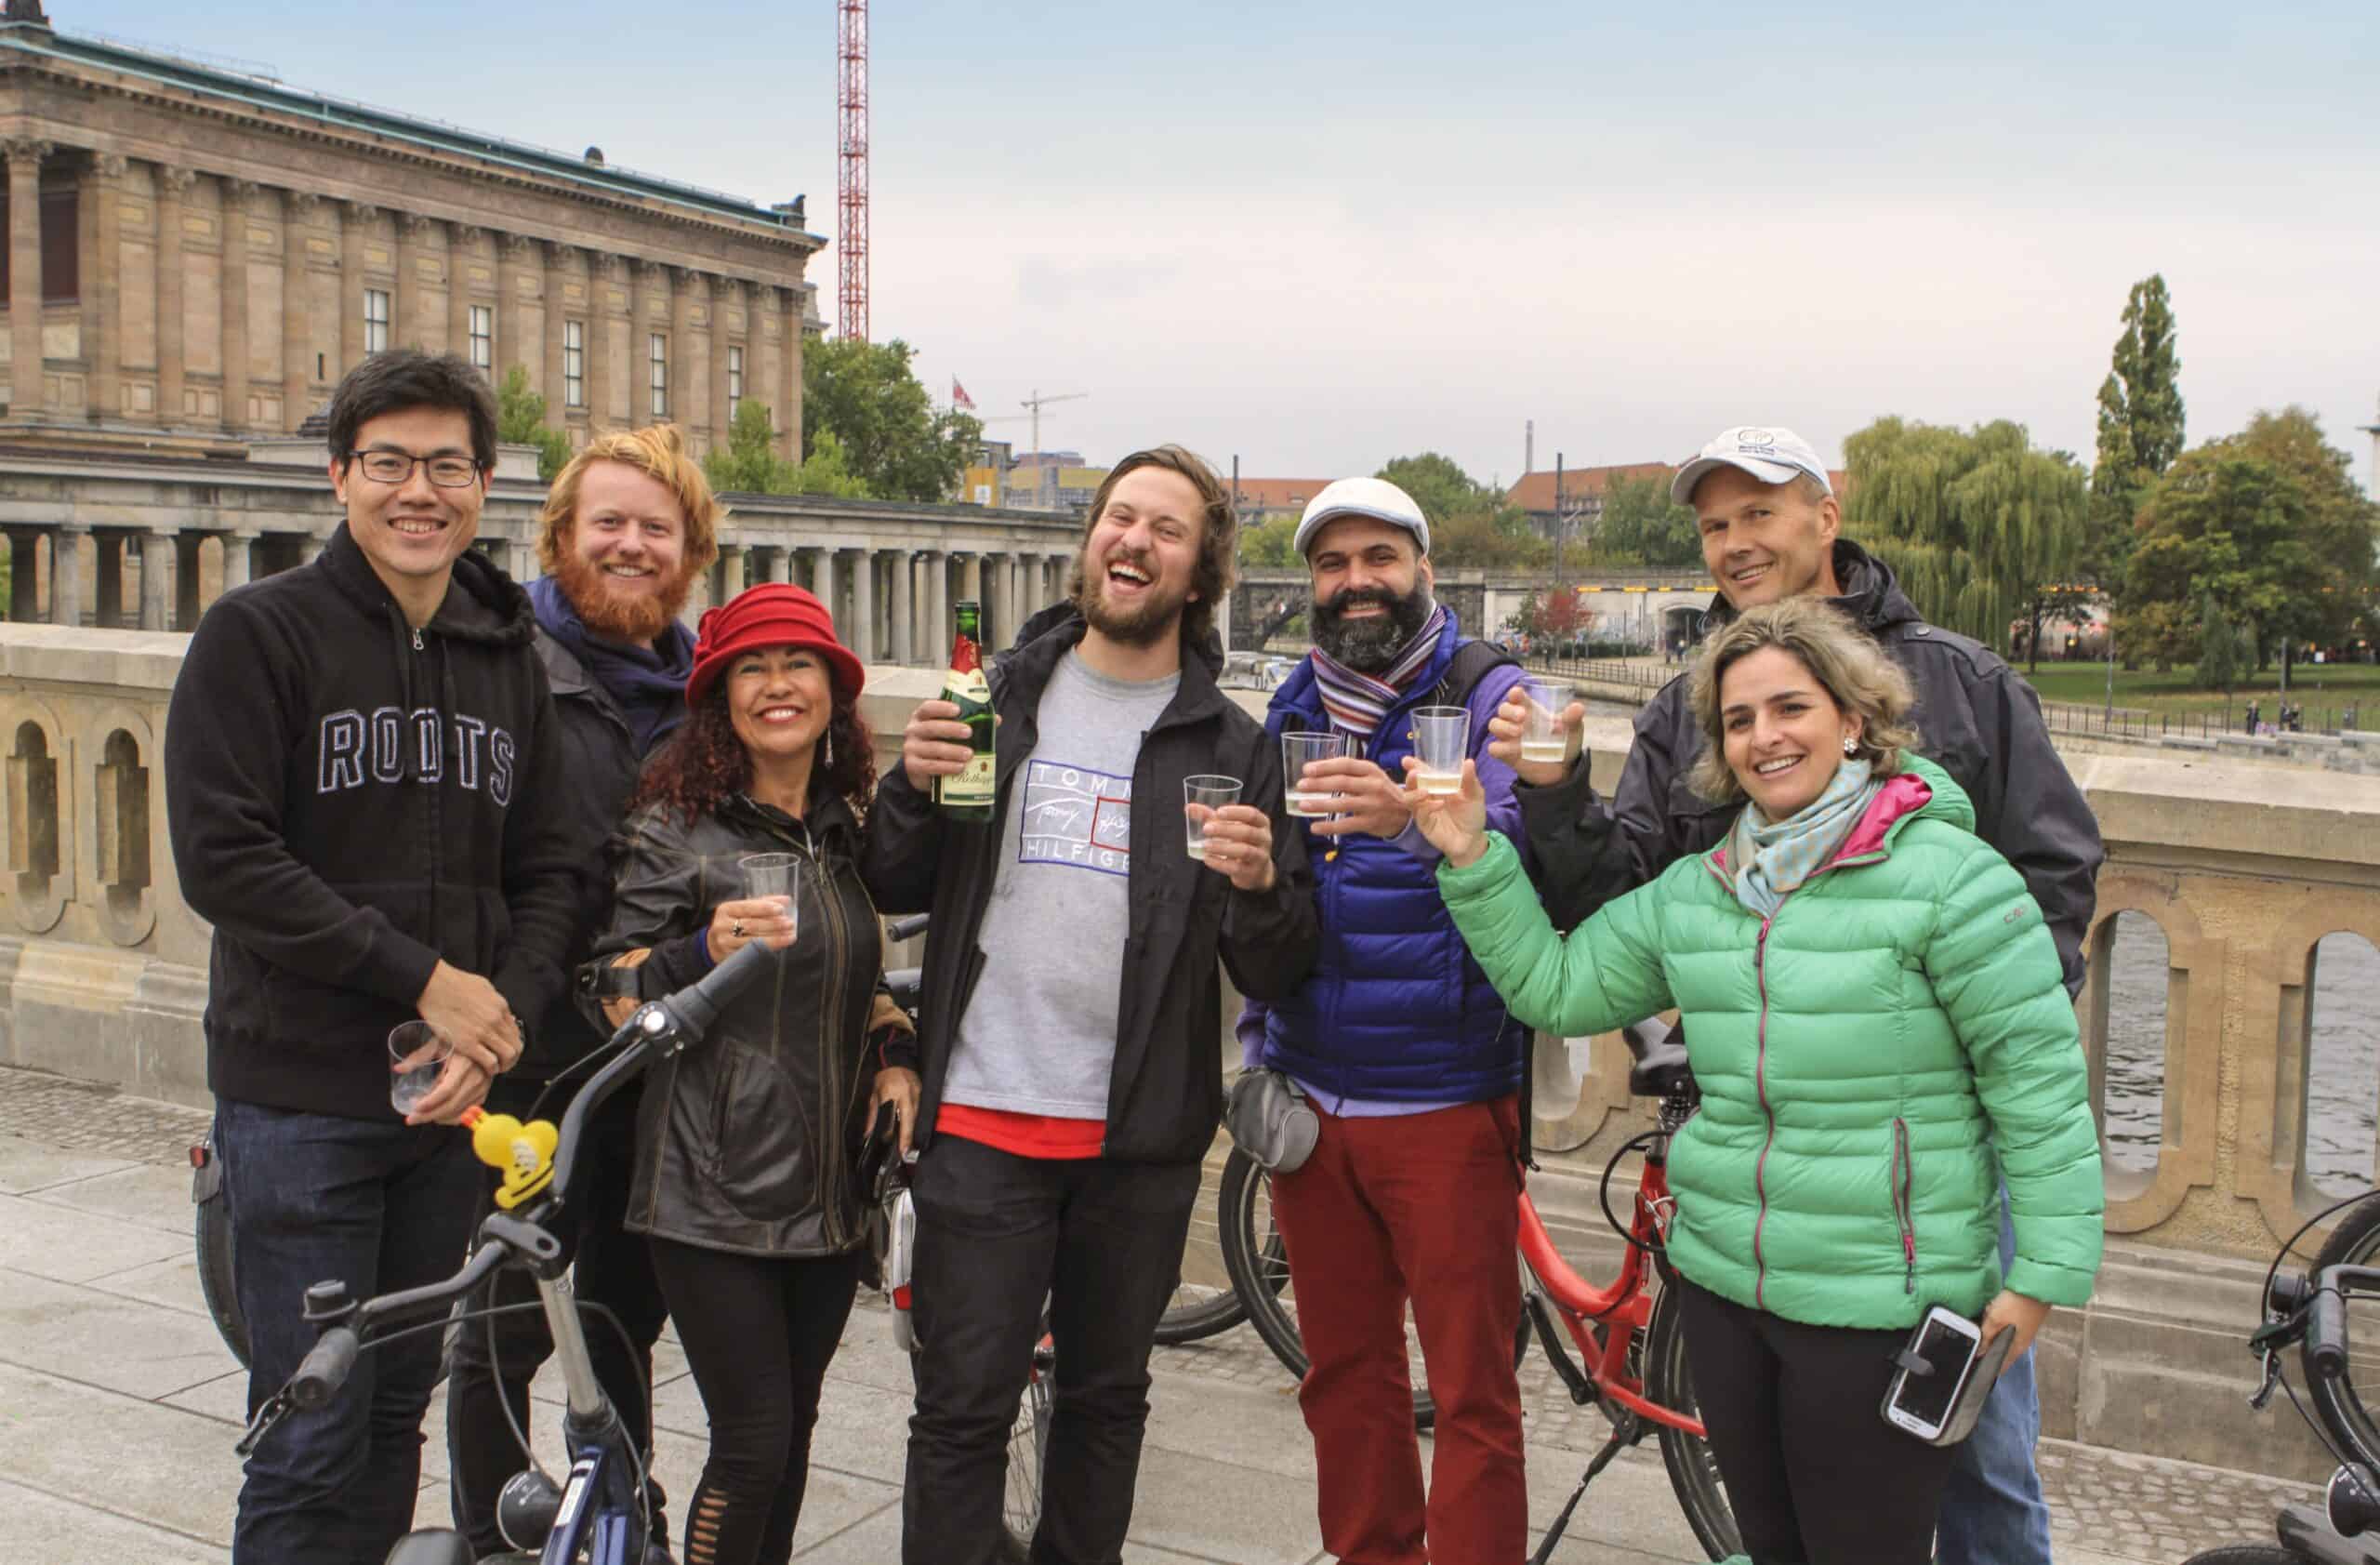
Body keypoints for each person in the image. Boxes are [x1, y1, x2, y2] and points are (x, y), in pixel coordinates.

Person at [1496, 425, 2102, 1565]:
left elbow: (2053, 874)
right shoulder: (1692, 698)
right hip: (1775, 1177)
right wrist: (1554, 797)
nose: (1734, 544)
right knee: (1785, 1499)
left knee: (1984, 1469)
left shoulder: (1962, 681)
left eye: (1758, 514)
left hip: (1938, 1152)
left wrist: (1963, 1037)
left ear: (1826, 515)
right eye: (1714, 526)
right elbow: (1633, 894)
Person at [861, 444, 1321, 1565]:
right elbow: (892, 881)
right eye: (1120, 518)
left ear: (1199, 572)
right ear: (1087, 544)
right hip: (981, 1119)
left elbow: (1276, 968)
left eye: (1167, 530)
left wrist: (1261, 887)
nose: (1135, 541)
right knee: (960, 1412)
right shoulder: (998, 696)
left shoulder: (1233, 747)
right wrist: (910, 788)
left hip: (1139, 1139)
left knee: (1106, 1407)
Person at [164, 350, 583, 1564]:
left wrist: (500, 1006)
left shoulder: (507, 659)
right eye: (389, 462)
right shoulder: (260, 635)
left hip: (448, 1107)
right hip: (301, 1099)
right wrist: (423, 979)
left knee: (394, 1417)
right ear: (340, 475)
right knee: (307, 1430)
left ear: (484, 483)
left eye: (446, 465)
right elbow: (225, 860)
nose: (419, 490)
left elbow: (554, 867)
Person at [583, 582, 921, 1565]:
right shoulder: (678, 830)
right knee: (752, 1442)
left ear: (833, 691)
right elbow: (608, 994)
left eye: (799, 664)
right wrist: (696, 954)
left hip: (826, 1190)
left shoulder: (841, 830)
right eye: (752, 669)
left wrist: (895, 1054)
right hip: (709, 1189)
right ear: (721, 701)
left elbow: (853, 981)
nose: (778, 685)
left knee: (794, 1437)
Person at [1239, 476, 1534, 1565]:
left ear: (1422, 570)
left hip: (1446, 1097)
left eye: (1377, 559)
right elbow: (1273, 871)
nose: (1355, 582)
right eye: (1331, 564)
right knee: (1344, 1377)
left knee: (1471, 1392)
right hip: (1312, 1096)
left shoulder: (1493, 691)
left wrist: (1410, 815)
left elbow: (1512, 833)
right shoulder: (1294, 704)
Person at [444, 425, 720, 1561]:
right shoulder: (498, 663)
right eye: (606, 522)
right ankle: (490, 1534)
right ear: (560, 536)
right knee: (504, 1325)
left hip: (657, 1060)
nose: (629, 545)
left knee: (617, 1319)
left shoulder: (709, 691)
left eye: (657, 528)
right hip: (531, 1052)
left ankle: (619, 1522)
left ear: (691, 552)